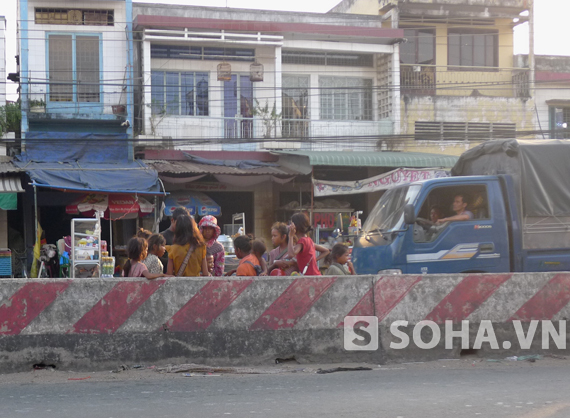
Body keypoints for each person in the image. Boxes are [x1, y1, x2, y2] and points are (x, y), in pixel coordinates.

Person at [160, 207, 191, 272]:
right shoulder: (162, 237)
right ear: (172, 220)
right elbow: (158, 257)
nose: (182, 225)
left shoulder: (187, 237)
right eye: (180, 222)